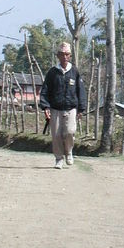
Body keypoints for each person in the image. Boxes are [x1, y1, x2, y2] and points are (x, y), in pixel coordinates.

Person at [39, 41, 86, 169]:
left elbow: (80, 90)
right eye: (62, 54)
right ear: (58, 56)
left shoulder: (74, 71)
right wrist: (45, 107)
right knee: (56, 135)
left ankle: (69, 152)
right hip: (55, 108)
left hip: (71, 108)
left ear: (70, 56)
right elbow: (45, 90)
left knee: (70, 132)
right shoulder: (53, 72)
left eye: (67, 54)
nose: (64, 57)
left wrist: (81, 108)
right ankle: (59, 158)